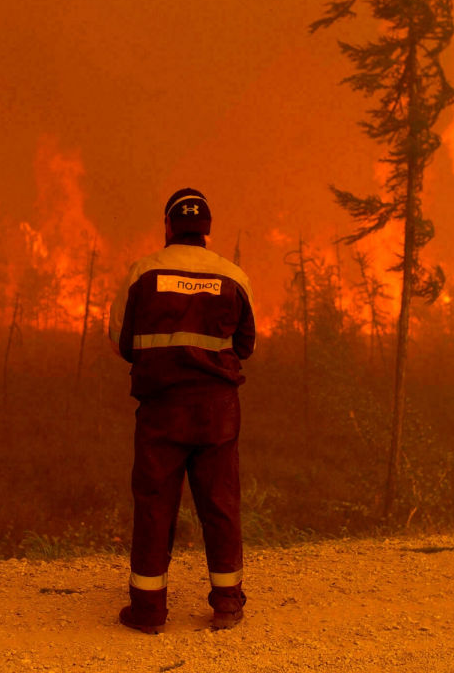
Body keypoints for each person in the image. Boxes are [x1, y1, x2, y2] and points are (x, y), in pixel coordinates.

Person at [108, 187, 256, 633]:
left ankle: (149, 612)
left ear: (168, 226)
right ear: (207, 230)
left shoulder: (143, 273)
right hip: (218, 411)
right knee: (221, 504)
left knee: (155, 505)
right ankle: (227, 604)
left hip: (162, 410)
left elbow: (121, 340)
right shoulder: (234, 277)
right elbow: (246, 346)